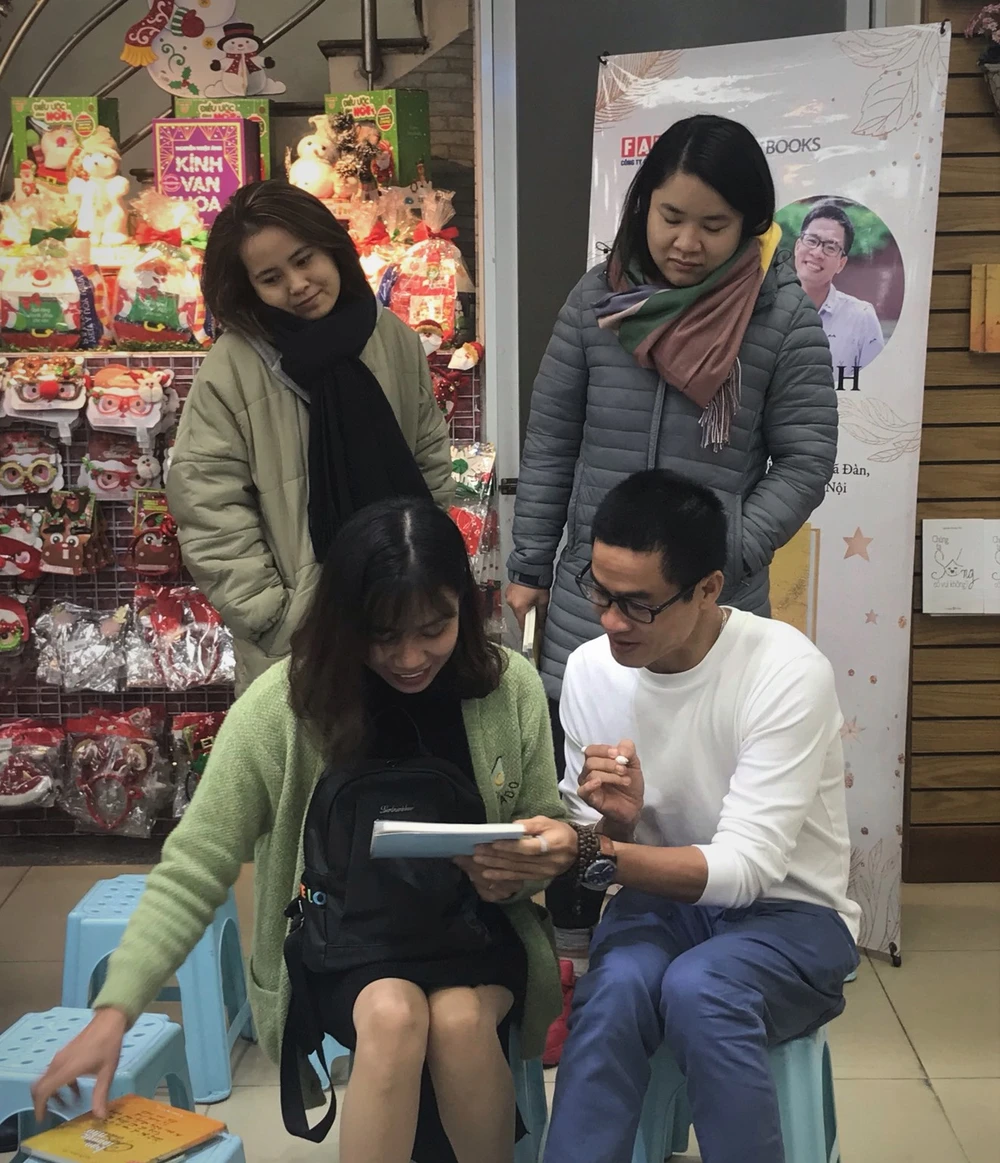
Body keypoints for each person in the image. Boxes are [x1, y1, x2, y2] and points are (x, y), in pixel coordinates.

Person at [30, 498, 564, 1163]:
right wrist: (115, 1011)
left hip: (474, 930)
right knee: (393, 1016)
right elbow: (197, 862)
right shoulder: (284, 706)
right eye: (383, 634)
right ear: (344, 620)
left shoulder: (507, 688)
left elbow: (544, 825)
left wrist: (532, 857)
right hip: (345, 940)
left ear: (466, 606)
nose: (410, 657)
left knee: (459, 1021)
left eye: (435, 628)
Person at [504, 112, 838, 1050]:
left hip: (703, 605)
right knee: (586, 791)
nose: (686, 243)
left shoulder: (779, 317)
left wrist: (724, 557)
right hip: (599, 593)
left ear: (752, 225)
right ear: (642, 205)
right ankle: (583, 982)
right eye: (670, 217)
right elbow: (552, 439)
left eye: (714, 225)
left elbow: (806, 458)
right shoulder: (597, 300)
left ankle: (708, 963)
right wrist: (529, 565)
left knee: (702, 789)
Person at [473, 470, 861, 1163]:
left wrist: (593, 851)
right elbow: (596, 849)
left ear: (708, 588)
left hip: (793, 914)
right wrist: (611, 829)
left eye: (638, 604)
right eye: (600, 592)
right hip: (660, 905)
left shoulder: (784, 671)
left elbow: (746, 871)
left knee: (702, 987)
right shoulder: (591, 670)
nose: (610, 621)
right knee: (614, 991)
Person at [167, 180, 454, 695]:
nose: (297, 285)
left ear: (331, 247)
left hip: (406, 612)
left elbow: (429, 454)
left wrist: (430, 566)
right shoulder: (232, 368)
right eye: (271, 277)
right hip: (300, 639)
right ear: (249, 286)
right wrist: (272, 614)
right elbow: (206, 503)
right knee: (311, 747)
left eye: (305, 260)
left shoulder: (390, 337)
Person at [793, 200, 885, 375]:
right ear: (798, 246)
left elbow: (876, 381)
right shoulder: (764, 306)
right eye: (811, 241)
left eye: (830, 247)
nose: (817, 253)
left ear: (841, 263)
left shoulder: (861, 318)